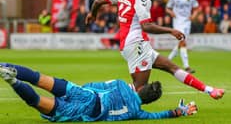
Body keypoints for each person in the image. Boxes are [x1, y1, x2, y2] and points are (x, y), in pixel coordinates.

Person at [86, 0, 224, 100]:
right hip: (137, 44)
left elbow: (98, 1)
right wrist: (171, 30)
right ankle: (95, 93)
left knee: (171, 67)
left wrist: (93, 14)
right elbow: (147, 26)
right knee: (141, 90)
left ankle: (209, 90)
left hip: (131, 44)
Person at [0, 63, 197, 122]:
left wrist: (82, 89)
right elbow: (158, 116)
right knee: (36, 102)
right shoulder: (137, 112)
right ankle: (11, 80)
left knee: (39, 78)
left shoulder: (121, 84)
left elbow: (99, 84)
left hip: (86, 94)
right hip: (88, 112)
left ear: (141, 88)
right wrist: (181, 111)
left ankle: (5, 66)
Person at [166, 0, 198, 73]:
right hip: (177, 21)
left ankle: (169, 58)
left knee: (182, 41)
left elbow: (196, 8)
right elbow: (167, 8)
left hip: (187, 21)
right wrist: (171, 12)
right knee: (182, 41)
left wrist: (194, 15)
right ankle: (187, 66)